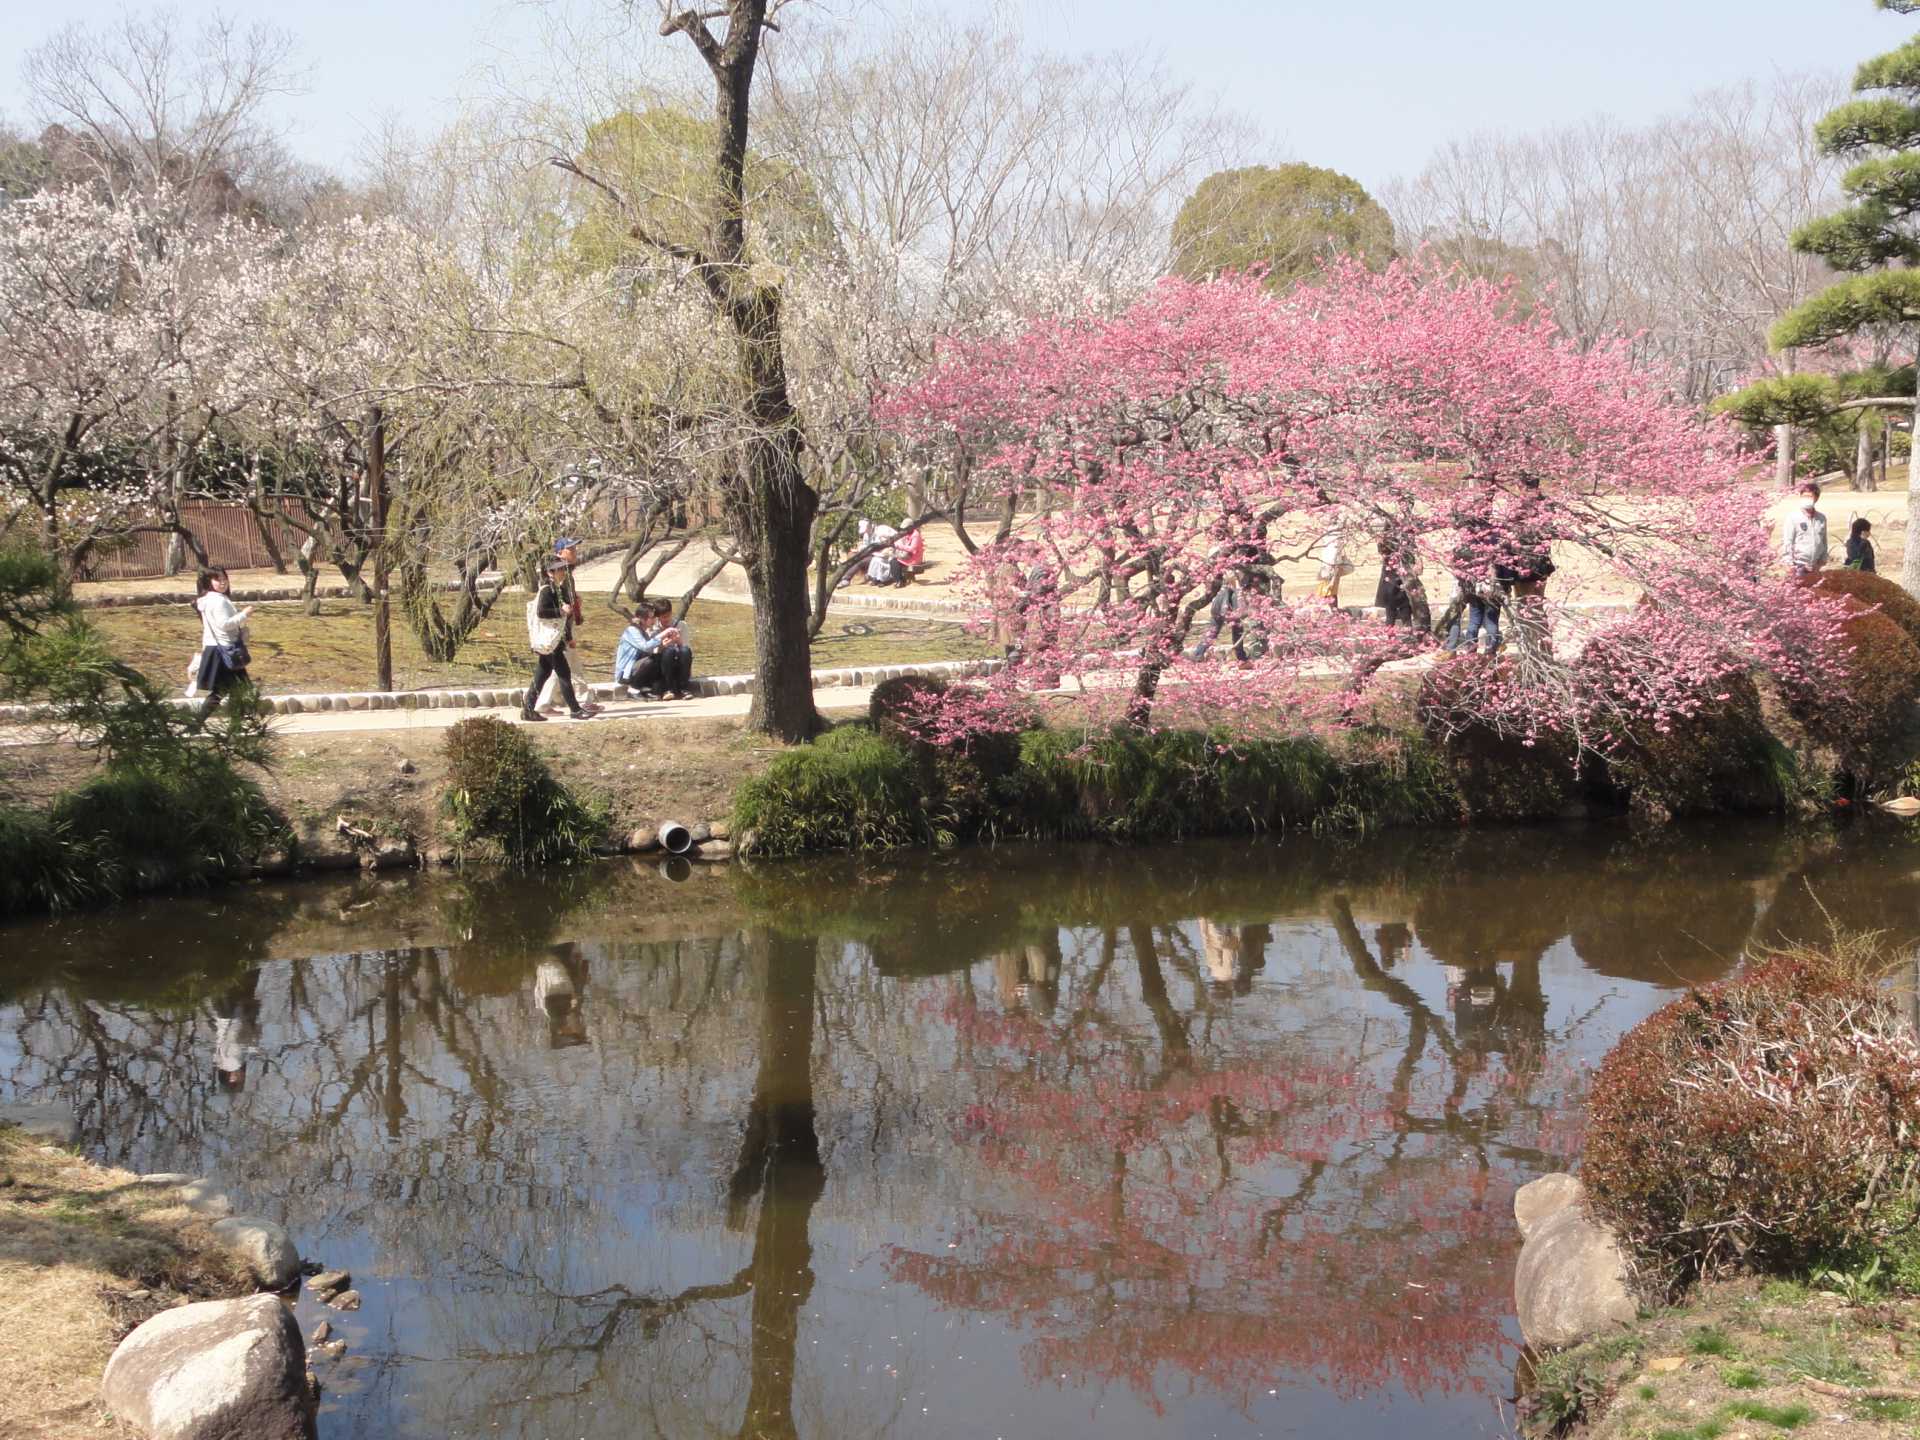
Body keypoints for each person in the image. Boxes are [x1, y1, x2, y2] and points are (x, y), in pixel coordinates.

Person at [522, 557, 595, 722]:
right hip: (550, 641)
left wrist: (568, 637)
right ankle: (575, 710)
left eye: (563, 568)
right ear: (550, 572)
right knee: (564, 674)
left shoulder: (558, 589)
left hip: (554, 641)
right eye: (559, 569)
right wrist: (561, 611)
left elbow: (563, 619)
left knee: (542, 675)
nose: (563, 572)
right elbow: (542, 612)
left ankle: (527, 709)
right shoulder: (548, 590)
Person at [536, 537, 591, 714]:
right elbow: (556, 605)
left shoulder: (566, 574)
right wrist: (568, 632)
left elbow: (571, 601)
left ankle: (543, 703)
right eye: (570, 549)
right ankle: (580, 702)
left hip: (564, 628)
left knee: (558, 667)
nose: (575, 553)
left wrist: (577, 613)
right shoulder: (557, 577)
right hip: (558, 629)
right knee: (563, 667)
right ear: (560, 553)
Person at [190, 568, 254, 703]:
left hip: (215, 648)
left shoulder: (207, 600)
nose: (223, 583)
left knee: (229, 689)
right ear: (209, 582)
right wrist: (244, 614)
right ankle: (197, 722)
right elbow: (224, 625)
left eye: (224, 579)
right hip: (225, 650)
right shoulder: (219, 601)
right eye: (218, 580)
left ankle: (237, 721)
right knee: (231, 689)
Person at [1190, 570, 1250, 662]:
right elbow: (1239, 601)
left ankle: (1198, 654)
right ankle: (1241, 657)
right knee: (1237, 632)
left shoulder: (1222, 587)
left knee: (1212, 633)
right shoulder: (1235, 588)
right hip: (1229, 612)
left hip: (1218, 610)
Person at [648, 598, 695, 699]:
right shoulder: (653, 629)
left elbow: (687, 648)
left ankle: (684, 689)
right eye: (663, 617)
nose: (666, 619)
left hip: (679, 662)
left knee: (685, 650)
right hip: (662, 665)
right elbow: (651, 652)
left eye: (668, 615)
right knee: (669, 651)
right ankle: (667, 689)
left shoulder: (681, 625)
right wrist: (662, 646)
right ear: (657, 617)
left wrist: (678, 641)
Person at [1780, 482, 1828, 578]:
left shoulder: (1821, 518)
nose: (1806, 499)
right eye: (1804, 496)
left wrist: (1823, 559)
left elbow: (1823, 540)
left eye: (1809, 496)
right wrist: (1789, 564)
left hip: (1815, 566)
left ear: (1816, 498)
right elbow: (1787, 541)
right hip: (1798, 566)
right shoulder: (1793, 517)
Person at [1313, 525, 1351, 606]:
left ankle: (1331, 611)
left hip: (1331, 570)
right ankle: (1330, 610)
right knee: (1327, 592)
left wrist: (1333, 579)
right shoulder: (1331, 545)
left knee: (1328, 592)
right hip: (1327, 569)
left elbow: (1335, 561)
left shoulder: (1334, 546)